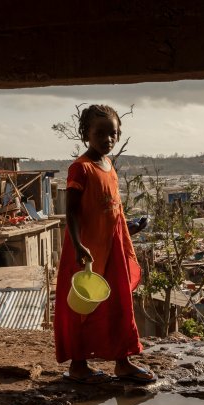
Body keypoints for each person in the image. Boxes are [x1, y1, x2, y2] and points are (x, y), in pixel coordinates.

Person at [53, 104, 155, 385]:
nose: (107, 139)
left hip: (113, 249)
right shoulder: (80, 168)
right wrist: (77, 245)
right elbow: (71, 212)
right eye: (100, 133)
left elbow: (112, 210)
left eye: (113, 134)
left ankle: (123, 362)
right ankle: (78, 365)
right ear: (86, 133)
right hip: (87, 252)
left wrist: (128, 229)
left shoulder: (109, 166)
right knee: (83, 309)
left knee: (120, 304)